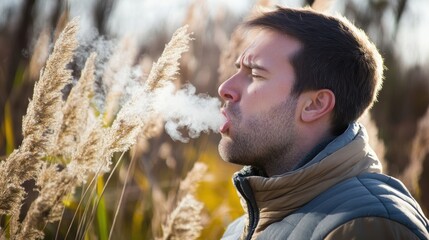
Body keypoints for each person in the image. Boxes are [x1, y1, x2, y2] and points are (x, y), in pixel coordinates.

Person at [217, 6, 429, 240]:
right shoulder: (239, 229)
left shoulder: (366, 226)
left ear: (315, 105)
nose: (225, 89)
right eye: (238, 70)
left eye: (255, 74)